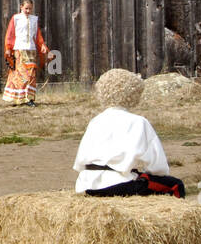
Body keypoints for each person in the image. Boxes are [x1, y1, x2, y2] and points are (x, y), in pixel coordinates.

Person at [73, 69, 185, 197]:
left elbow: (79, 163)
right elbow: (158, 167)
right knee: (176, 185)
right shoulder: (139, 122)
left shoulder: (95, 122)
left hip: (86, 185)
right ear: (134, 92)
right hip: (119, 184)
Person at [4, 0, 47, 106]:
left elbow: (37, 36)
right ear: (21, 7)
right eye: (26, 8)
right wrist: (8, 48)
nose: (28, 11)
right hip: (19, 49)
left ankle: (29, 98)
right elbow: (10, 34)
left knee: (31, 74)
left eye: (30, 9)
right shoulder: (16, 18)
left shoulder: (34, 19)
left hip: (31, 49)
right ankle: (18, 98)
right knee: (20, 74)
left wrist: (42, 45)